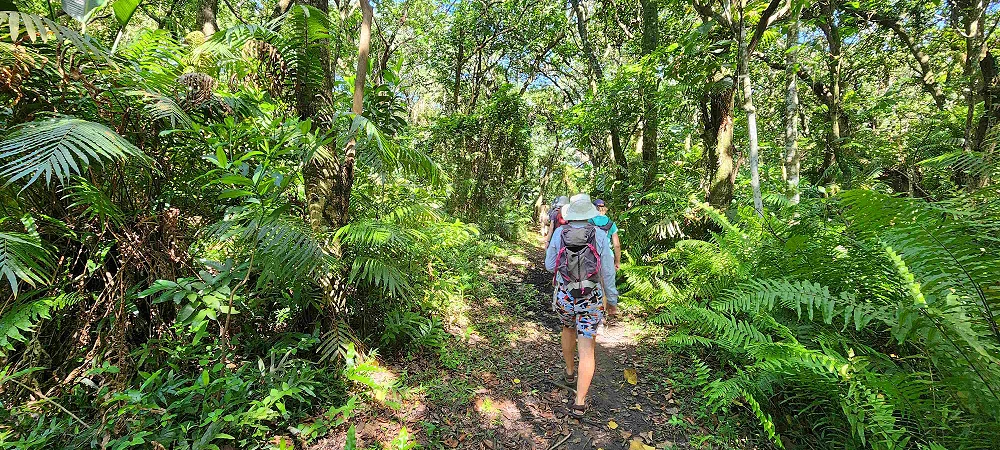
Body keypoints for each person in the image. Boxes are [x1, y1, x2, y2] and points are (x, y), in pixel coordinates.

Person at [545, 193, 618, 418]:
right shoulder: (598, 234)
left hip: (565, 297)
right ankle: (579, 403)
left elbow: (549, 265)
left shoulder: (559, 232)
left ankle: (568, 373)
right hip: (591, 298)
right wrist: (612, 301)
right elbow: (607, 271)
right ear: (590, 214)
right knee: (587, 348)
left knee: (567, 329)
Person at [589, 199, 621, 269]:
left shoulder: (588, 222)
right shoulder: (611, 224)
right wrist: (617, 262)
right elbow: (617, 245)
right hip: (608, 255)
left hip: (592, 256)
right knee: (607, 279)